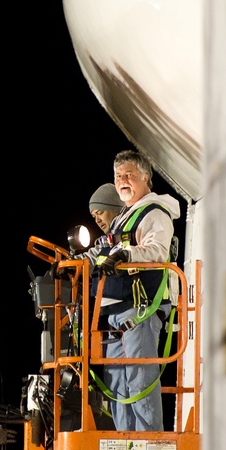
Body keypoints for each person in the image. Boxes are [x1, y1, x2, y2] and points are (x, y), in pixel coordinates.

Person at [96, 150, 181, 432]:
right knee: (118, 383)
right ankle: (125, 442)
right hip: (115, 312)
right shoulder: (123, 218)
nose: (122, 180)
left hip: (140, 309)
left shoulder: (155, 212)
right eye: (118, 176)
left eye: (128, 175)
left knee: (140, 379)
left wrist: (126, 255)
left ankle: (149, 443)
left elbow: (157, 251)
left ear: (145, 177)